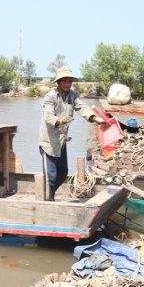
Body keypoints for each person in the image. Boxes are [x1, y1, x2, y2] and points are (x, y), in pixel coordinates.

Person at [39, 66, 105, 201]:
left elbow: (82, 108)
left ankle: (49, 196)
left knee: (63, 174)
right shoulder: (50, 97)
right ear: (58, 82)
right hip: (49, 143)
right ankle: (47, 200)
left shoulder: (72, 95)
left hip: (62, 142)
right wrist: (59, 121)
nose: (67, 84)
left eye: (70, 81)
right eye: (64, 81)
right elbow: (48, 115)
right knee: (50, 177)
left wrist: (94, 118)